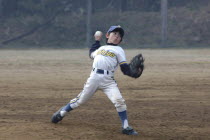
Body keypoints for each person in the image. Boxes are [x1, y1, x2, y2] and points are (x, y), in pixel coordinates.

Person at [51, 25, 144, 135]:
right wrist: (97, 41)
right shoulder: (100, 49)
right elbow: (91, 53)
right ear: (108, 35)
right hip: (94, 78)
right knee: (80, 100)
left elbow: (124, 68)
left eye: (119, 36)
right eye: (115, 34)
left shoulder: (119, 50)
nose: (117, 37)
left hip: (108, 81)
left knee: (119, 101)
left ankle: (125, 126)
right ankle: (61, 113)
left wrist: (132, 73)